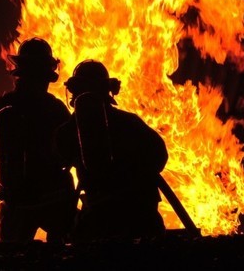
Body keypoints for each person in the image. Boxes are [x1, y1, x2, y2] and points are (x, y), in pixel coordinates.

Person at [57, 59, 168, 241]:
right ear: (108, 91)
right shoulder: (132, 122)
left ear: (74, 92)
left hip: (100, 218)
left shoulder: (67, 131)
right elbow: (159, 156)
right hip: (142, 215)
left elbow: (59, 161)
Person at [0, 37, 76, 243]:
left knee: (8, 256)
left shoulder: (0, 105)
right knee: (64, 251)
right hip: (53, 196)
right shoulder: (57, 109)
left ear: (18, 72)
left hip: (15, 198)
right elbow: (70, 151)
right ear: (47, 75)